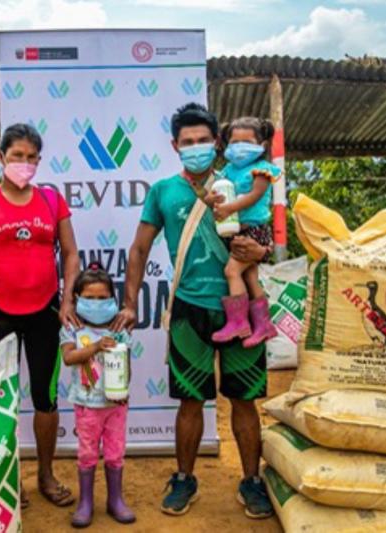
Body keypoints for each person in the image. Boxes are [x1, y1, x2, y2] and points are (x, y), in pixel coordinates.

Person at [111, 103, 273, 519]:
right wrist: (129, 303)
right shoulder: (164, 191)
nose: (196, 148)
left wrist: (263, 251)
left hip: (241, 309)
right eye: (188, 143)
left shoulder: (238, 182)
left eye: (203, 141)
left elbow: (262, 235)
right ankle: (184, 479)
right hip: (188, 309)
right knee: (189, 401)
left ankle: (252, 480)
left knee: (244, 400)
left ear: (217, 143)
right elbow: (139, 248)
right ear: (174, 146)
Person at [0, 123, 81, 509]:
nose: (24, 164)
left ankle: (46, 475)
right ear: (0, 158)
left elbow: (71, 253)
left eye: (31, 158)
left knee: (45, 398)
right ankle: (8, 477)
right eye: (16, 156)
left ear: (39, 161)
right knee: (1, 399)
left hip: (45, 309)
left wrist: (67, 302)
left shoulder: (51, 200)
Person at [60, 263, 135, 528]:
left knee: (115, 453)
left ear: (113, 300)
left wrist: (123, 389)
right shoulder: (73, 329)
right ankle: (85, 503)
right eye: (89, 298)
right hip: (87, 405)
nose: (96, 303)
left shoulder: (119, 329)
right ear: (77, 299)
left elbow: (127, 363)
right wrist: (94, 347)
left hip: (116, 405)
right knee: (87, 454)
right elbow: (69, 357)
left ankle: (115, 500)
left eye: (103, 298)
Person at [210, 117, 280, 346]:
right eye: (234, 141)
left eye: (247, 141)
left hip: (255, 230)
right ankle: (263, 326)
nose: (240, 147)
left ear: (262, 145)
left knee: (232, 271)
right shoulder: (228, 171)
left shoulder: (262, 170)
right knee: (249, 276)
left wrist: (229, 208)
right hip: (239, 231)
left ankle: (239, 322)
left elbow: (255, 196)